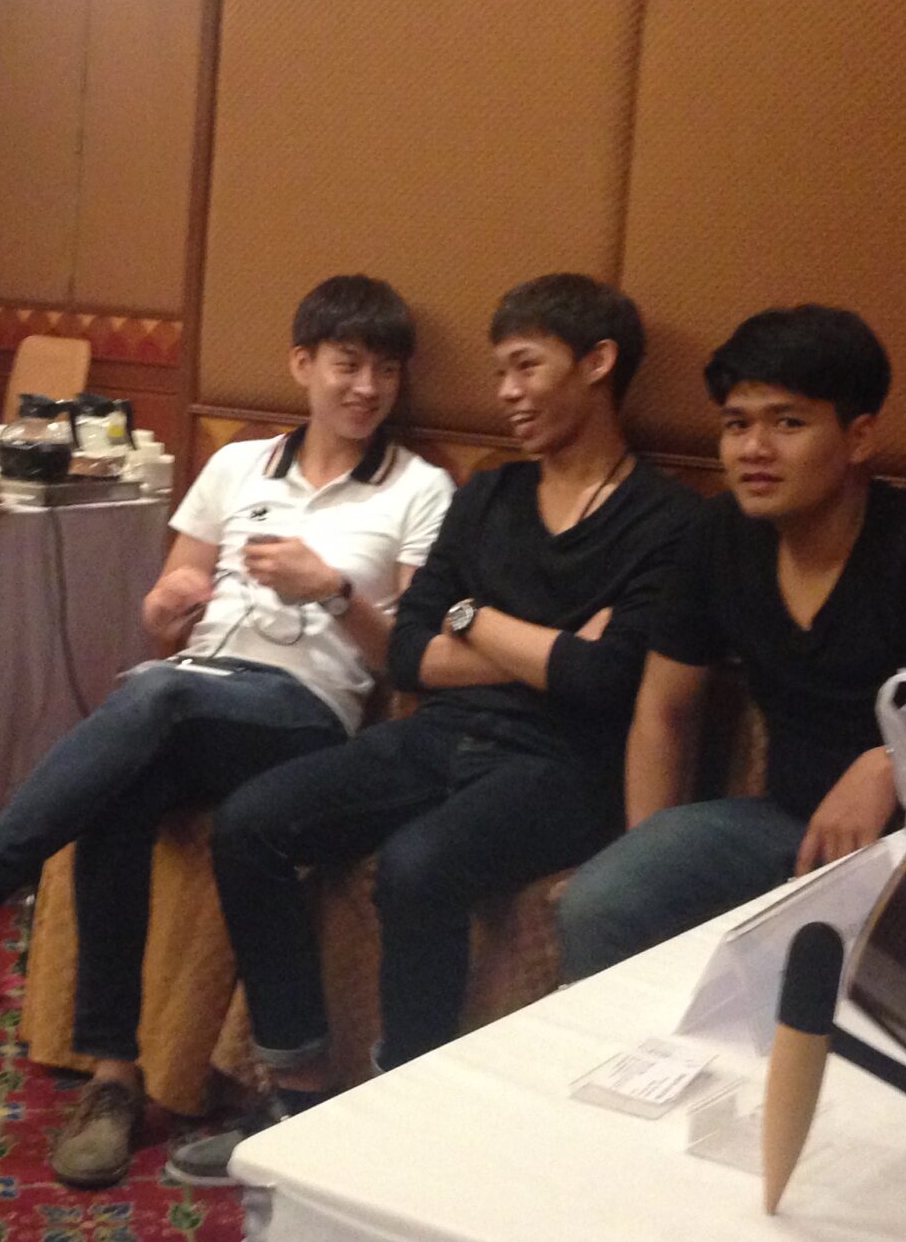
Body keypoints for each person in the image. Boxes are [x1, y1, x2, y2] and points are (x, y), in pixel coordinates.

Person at [0, 276, 454, 1187]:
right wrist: (166, 608)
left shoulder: (420, 489)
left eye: (385, 371)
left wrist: (335, 591)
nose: (367, 388)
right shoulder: (238, 467)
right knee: (120, 787)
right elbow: (166, 617)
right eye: (348, 365)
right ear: (302, 364)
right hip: (194, 692)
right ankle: (113, 1078)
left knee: (153, 704)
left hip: (305, 714)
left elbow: (410, 661)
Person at [168, 274, 698, 1183]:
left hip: (565, 764)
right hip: (443, 731)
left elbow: (608, 682)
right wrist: (535, 640)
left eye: (526, 367)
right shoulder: (489, 496)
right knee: (253, 824)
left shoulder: (670, 521)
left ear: (599, 363)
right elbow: (412, 652)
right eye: (499, 373)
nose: (507, 393)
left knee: (419, 867)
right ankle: (297, 1094)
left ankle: (397, 1122)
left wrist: (479, 625)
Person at [555, 304, 906, 979]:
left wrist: (893, 760)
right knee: (605, 901)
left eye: (788, 423)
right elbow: (664, 710)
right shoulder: (717, 537)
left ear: (859, 437)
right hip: (785, 824)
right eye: (736, 424)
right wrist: (647, 856)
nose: (754, 449)